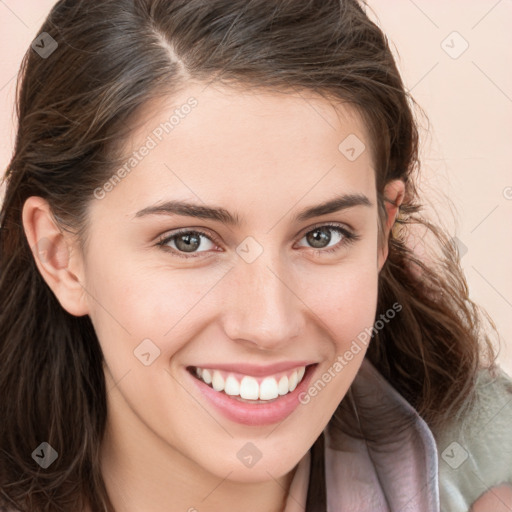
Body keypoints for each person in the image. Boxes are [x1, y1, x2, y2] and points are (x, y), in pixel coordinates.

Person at [1, 1, 511, 511]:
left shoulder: (488, 474)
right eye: (189, 241)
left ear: (383, 230)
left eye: (322, 236)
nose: (269, 325)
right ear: (60, 255)